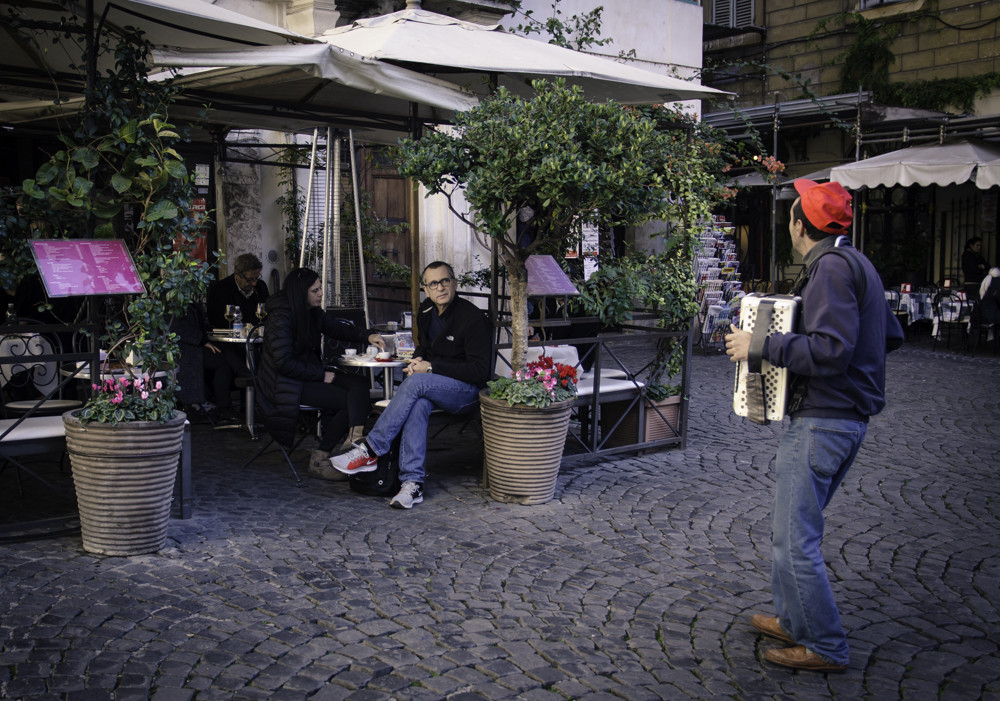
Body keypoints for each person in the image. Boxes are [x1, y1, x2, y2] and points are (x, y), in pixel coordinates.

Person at [724, 179, 903, 672]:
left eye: (791, 214)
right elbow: (891, 335)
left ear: (798, 225)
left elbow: (830, 350)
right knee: (796, 530)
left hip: (824, 420)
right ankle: (794, 618)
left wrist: (757, 346)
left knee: (793, 536)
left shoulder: (827, 269)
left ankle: (824, 644)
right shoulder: (857, 262)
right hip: (845, 418)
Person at [329, 261, 492, 509]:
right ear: (426, 289)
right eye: (434, 283)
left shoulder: (472, 318)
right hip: (434, 386)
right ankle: (412, 484)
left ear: (454, 283)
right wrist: (418, 358)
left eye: (445, 281)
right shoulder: (426, 311)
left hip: (467, 391)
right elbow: (425, 348)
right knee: (418, 404)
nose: (441, 287)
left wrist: (431, 368)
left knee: (416, 384)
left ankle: (371, 448)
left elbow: (480, 372)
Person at [257, 268, 383, 480]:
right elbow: (283, 363)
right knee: (348, 401)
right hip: (285, 383)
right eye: (315, 290)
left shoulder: (311, 311)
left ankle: (354, 441)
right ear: (300, 293)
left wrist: (368, 336)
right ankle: (320, 456)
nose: (321, 293)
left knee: (360, 385)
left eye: (320, 288)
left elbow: (337, 328)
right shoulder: (280, 317)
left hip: (308, 373)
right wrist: (319, 375)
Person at [207, 253, 270, 329]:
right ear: (236, 274)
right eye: (249, 279)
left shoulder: (261, 286)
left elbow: (269, 315)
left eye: (256, 278)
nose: (254, 283)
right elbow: (217, 322)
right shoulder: (220, 289)